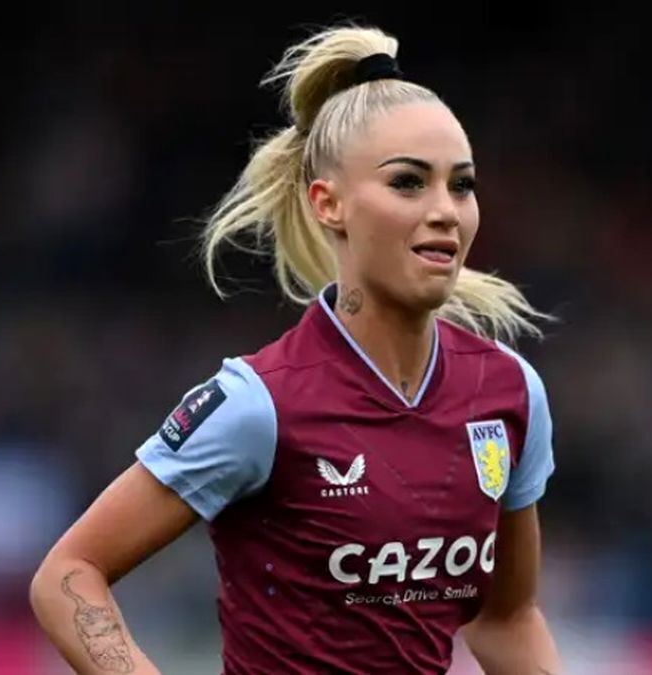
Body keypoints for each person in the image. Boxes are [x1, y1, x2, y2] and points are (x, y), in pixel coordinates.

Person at [29, 24, 564, 675]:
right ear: (328, 203)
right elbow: (69, 573)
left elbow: (506, 619)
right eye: (408, 182)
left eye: (462, 185)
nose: (446, 210)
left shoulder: (509, 393)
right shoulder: (259, 405)